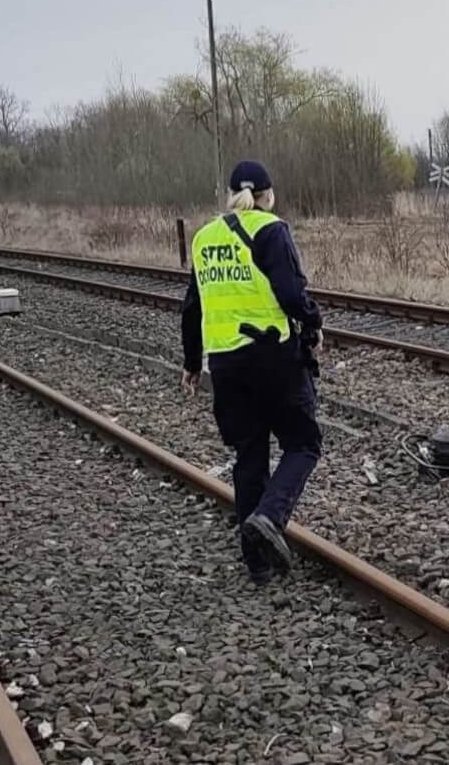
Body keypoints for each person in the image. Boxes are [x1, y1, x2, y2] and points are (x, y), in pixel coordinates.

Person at [181, 161, 324, 584]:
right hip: (273, 358)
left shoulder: (205, 238)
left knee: (249, 454)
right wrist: (314, 325)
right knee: (303, 443)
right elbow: (292, 293)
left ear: (230, 195)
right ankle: (269, 515)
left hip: (225, 364)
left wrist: (191, 363)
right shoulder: (271, 230)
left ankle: (257, 565)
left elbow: (193, 307)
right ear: (269, 194)